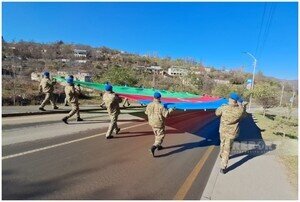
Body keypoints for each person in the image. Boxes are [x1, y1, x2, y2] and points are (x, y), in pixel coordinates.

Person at [215, 92, 244, 174]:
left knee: (222, 143)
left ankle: (222, 155)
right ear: (236, 101)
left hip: (222, 131)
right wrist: (241, 105)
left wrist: (221, 106)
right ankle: (223, 167)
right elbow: (244, 116)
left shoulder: (224, 107)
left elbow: (217, 113)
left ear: (230, 99)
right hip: (232, 133)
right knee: (227, 149)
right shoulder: (239, 111)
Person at [145, 92, 174, 157]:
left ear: (154, 97)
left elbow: (146, 113)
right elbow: (166, 114)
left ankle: (159, 146)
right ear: (159, 98)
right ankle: (153, 147)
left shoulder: (149, 104)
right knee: (160, 136)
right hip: (158, 123)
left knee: (156, 134)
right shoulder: (161, 106)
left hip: (151, 122)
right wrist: (171, 110)